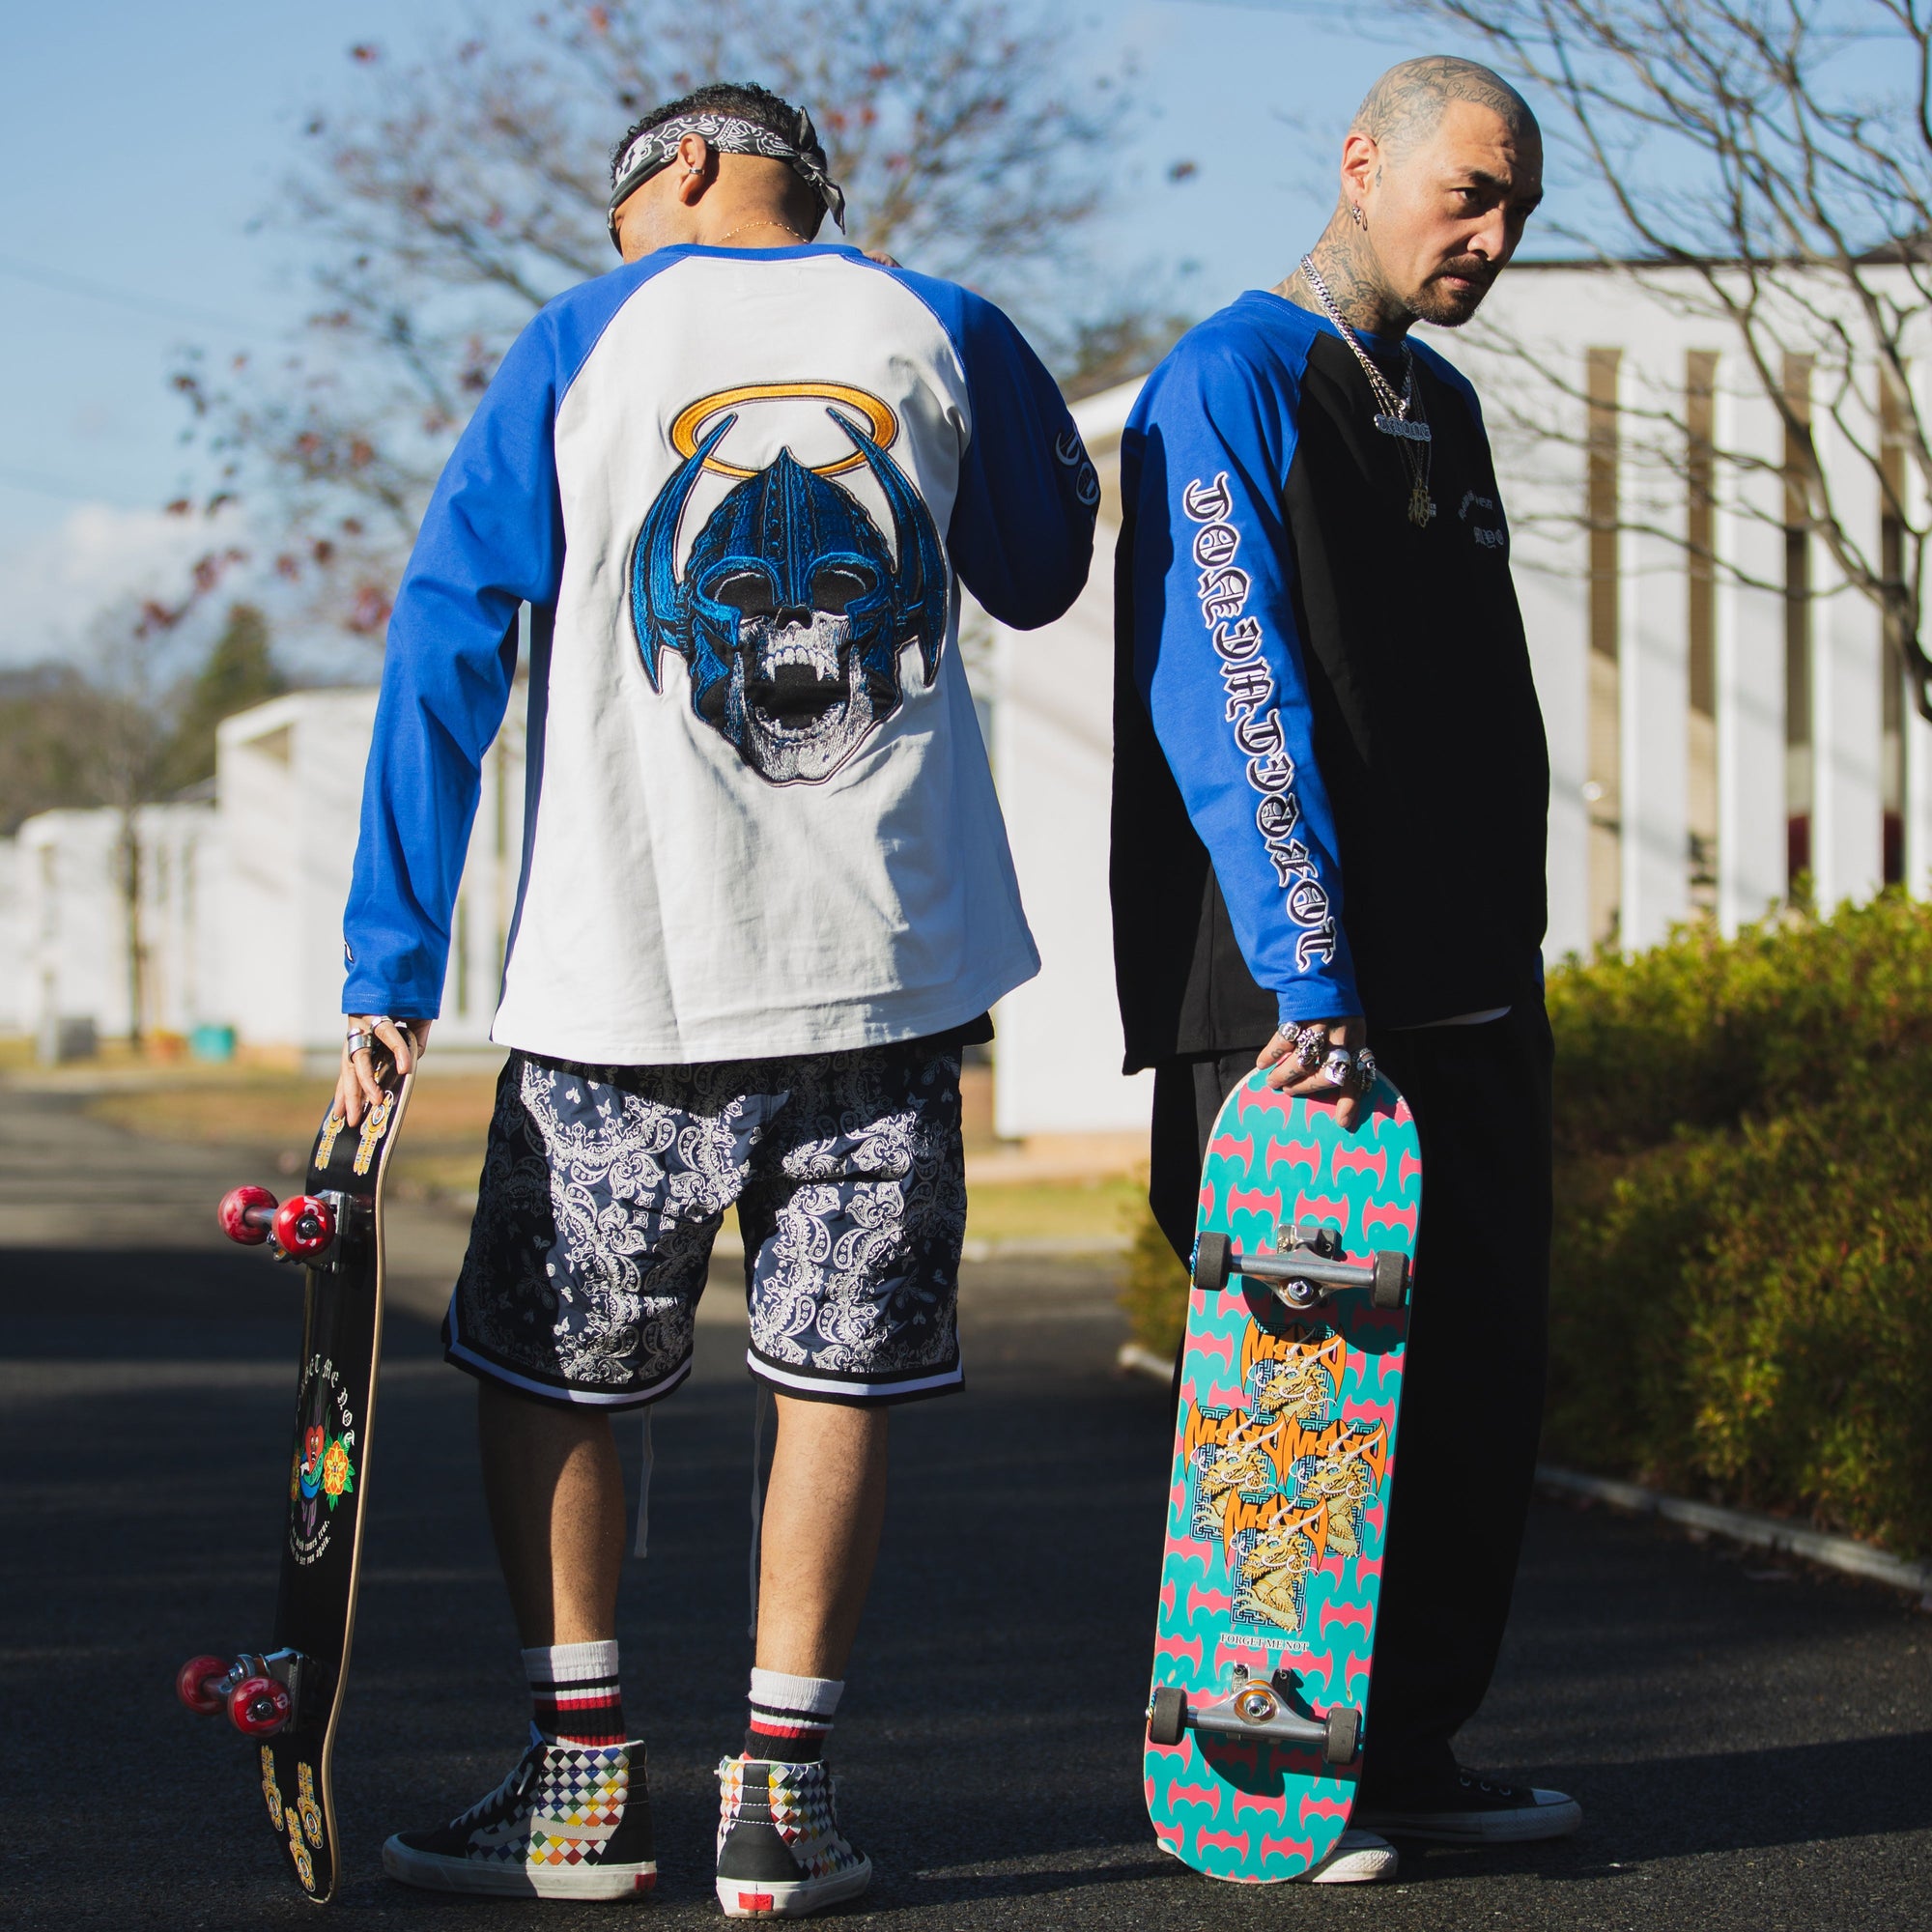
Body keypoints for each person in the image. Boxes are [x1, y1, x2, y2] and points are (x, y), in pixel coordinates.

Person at [331, 79, 1096, 1915]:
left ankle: (586, 1790)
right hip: (889, 988)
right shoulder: (942, 323)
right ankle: (784, 1801)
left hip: (627, 990)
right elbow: (1043, 569)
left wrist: (390, 965)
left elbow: (445, 638)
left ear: (674, 171)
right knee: (836, 1376)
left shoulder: (580, 341)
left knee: (563, 1374)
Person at [1111, 56, 1576, 1880]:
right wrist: (1311, 970)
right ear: (1364, 161)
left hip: (1472, 986)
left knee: (1471, 1391)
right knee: (1301, 1403)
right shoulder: (1227, 379)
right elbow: (1229, 678)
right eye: (1469, 193)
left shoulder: (1439, 409)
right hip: (1297, 1001)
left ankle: (1406, 1748)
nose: (1494, 236)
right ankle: (1258, 1763)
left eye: (1519, 208)